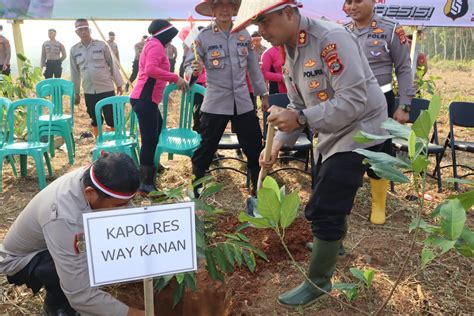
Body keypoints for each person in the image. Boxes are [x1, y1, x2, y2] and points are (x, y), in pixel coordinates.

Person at [232, 0, 387, 308]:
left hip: (361, 128)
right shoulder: (288, 51)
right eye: (256, 26)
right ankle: (332, 245)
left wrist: (302, 120)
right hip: (330, 129)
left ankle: (319, 281)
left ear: (289, 12)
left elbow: (353, 100)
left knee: (324, 205)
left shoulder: (330, 39)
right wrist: (276, 146)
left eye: (264, 21)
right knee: (325, 188)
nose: (260, 31)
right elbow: (297, 105)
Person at [0, 152, 145, 316]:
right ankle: (57, 305)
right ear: (91, 193)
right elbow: (80, 295)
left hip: (55, 240)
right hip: (22, 260)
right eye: (119, 206)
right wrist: (135, 314)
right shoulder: (64, 218)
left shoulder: (97, 178)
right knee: (77, 266)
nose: (125, 210)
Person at [186, 0, 269, 197]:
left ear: (234, 9)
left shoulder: (243, 34)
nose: (224, 9)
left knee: (255, 146)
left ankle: (257, 192)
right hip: (215, 103)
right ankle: (195, 189)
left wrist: (263, 94)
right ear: (212, 10)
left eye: (229, 5)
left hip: (242, 101)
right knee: (205, 148)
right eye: (219, 5)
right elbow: (188, 67)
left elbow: (253, 67)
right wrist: (193, 72)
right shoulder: (202, 37)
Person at [344, 0, 415, 225]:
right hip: (349, 101)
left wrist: (404, 105)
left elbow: (404, 67)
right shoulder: (341, 32)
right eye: (348, 2)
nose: (352, 6)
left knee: (381, 152)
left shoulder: (391, 29)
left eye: (358, 1)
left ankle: (379, 205)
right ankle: (345, 202)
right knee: (347, 149)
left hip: (381, 101)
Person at [130, 20, 187, 195]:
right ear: (164, 34)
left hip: (148, 99)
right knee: (149, 139)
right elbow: (151, 70)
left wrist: (163, 94)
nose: (171, 41)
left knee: (156, 132)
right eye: (170, 37)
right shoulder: (155, 46)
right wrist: (174, 77)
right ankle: (145, 184)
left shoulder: (152, 44)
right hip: (144, 99)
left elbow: (153, 77)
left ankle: (153, 165)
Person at [70, 19, 124, 137]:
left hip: (106, 88)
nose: (83, 31)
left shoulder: (102, 45)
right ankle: (99, 143)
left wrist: (119, 84)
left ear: (90, 29)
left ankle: (114, 142)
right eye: (80, 29)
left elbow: (112, 64)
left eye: (85, 28)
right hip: (89, 90)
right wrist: (76, 93)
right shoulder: (74, 50)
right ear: (76, 32)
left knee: (111, 117)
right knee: (94, 117)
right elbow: (75, 73)